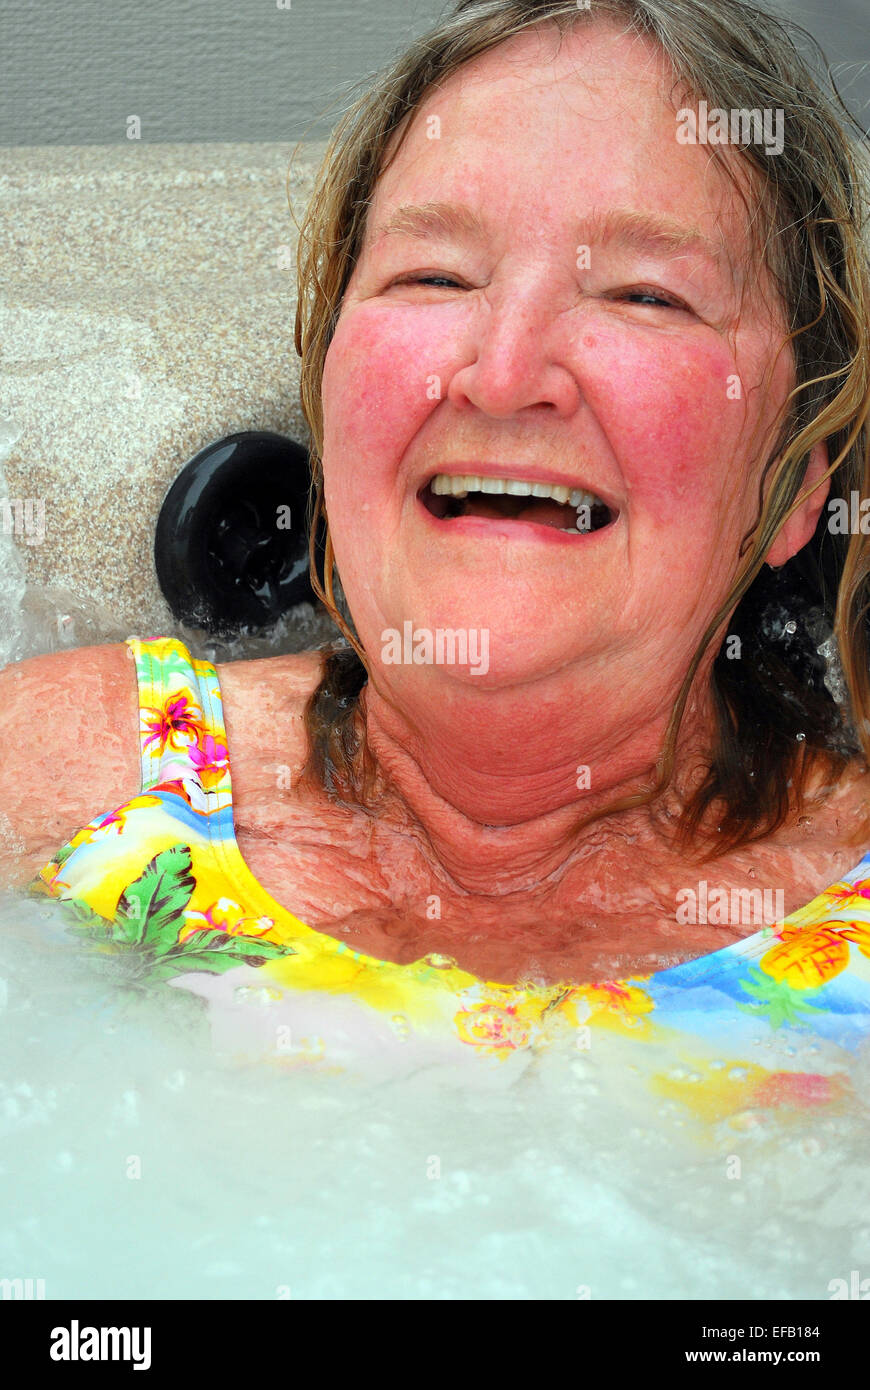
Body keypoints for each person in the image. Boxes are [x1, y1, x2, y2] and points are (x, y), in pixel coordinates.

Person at [2, 0, 870, 1090]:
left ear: (793, 482)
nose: (504, 374)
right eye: (435, 277)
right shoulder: (57, 785)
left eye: (646, 295)